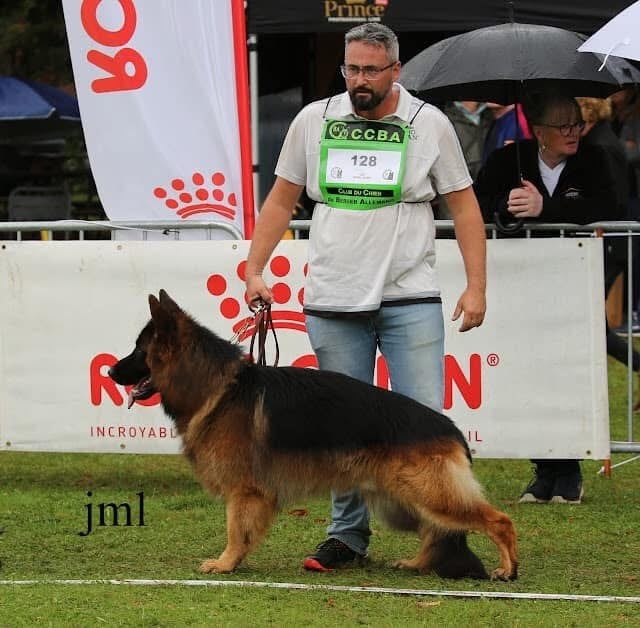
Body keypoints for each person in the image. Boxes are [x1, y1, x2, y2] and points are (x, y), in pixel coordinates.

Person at [244, 23, 488, 574]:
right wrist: (254, 267)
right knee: (342, 432)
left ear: (395, 70)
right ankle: (346, 538)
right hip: (333, 300)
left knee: (426, 425)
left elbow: (465, 208)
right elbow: (282, 200)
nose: (359, 79)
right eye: (351, 69)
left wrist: (477, 286)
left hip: (411, 297)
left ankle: (444, 538)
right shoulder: (313, 120)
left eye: (371, 70)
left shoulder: (430, 125)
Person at [474, 91, 620, 504]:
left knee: (567, 367)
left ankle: (569, 469)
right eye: (563, 126)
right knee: (527, 369)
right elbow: (479, 205)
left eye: (576, 124)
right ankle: (544, 469)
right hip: (521, 279)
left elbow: (608, 205)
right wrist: (506, 205)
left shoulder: (595, 159)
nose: (573, 132)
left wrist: (546, 208)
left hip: (574, 278)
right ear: (538, 131)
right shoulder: (508, 160)